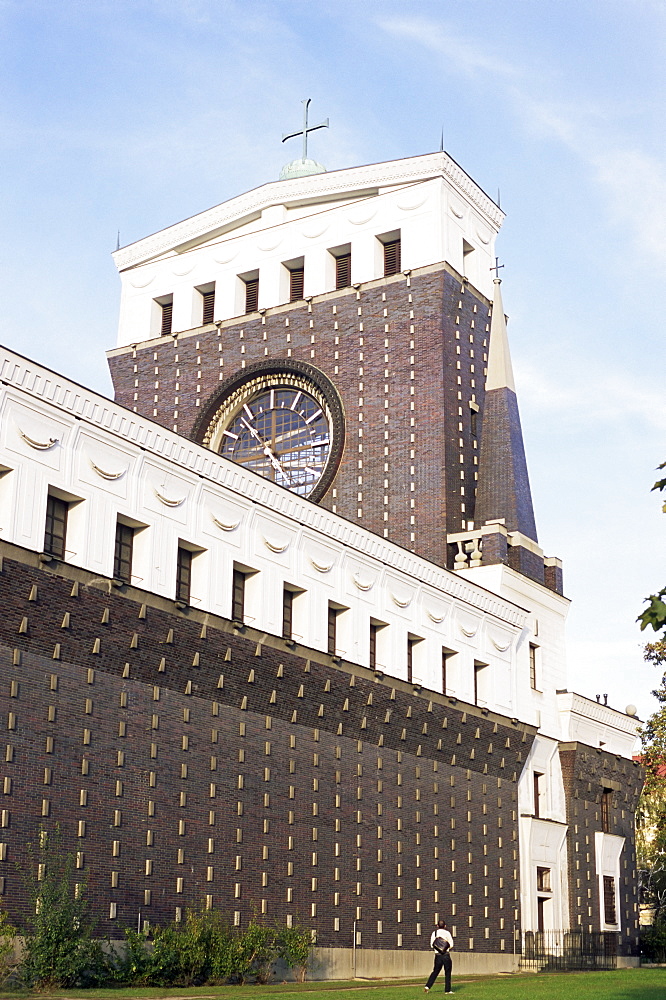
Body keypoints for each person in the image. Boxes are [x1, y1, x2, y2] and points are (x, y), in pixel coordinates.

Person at [424, 919, 454, 994]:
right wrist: (444, 948)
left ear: (437, 926)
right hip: (446, 955)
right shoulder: (447, 933)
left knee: (435, 971)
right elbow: (451, 944)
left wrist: (438, 949)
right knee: (447, 972)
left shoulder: (434, 933)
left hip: (437, 955)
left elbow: (432, 945)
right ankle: (447, 990)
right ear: (445, 926)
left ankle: (427, 986)